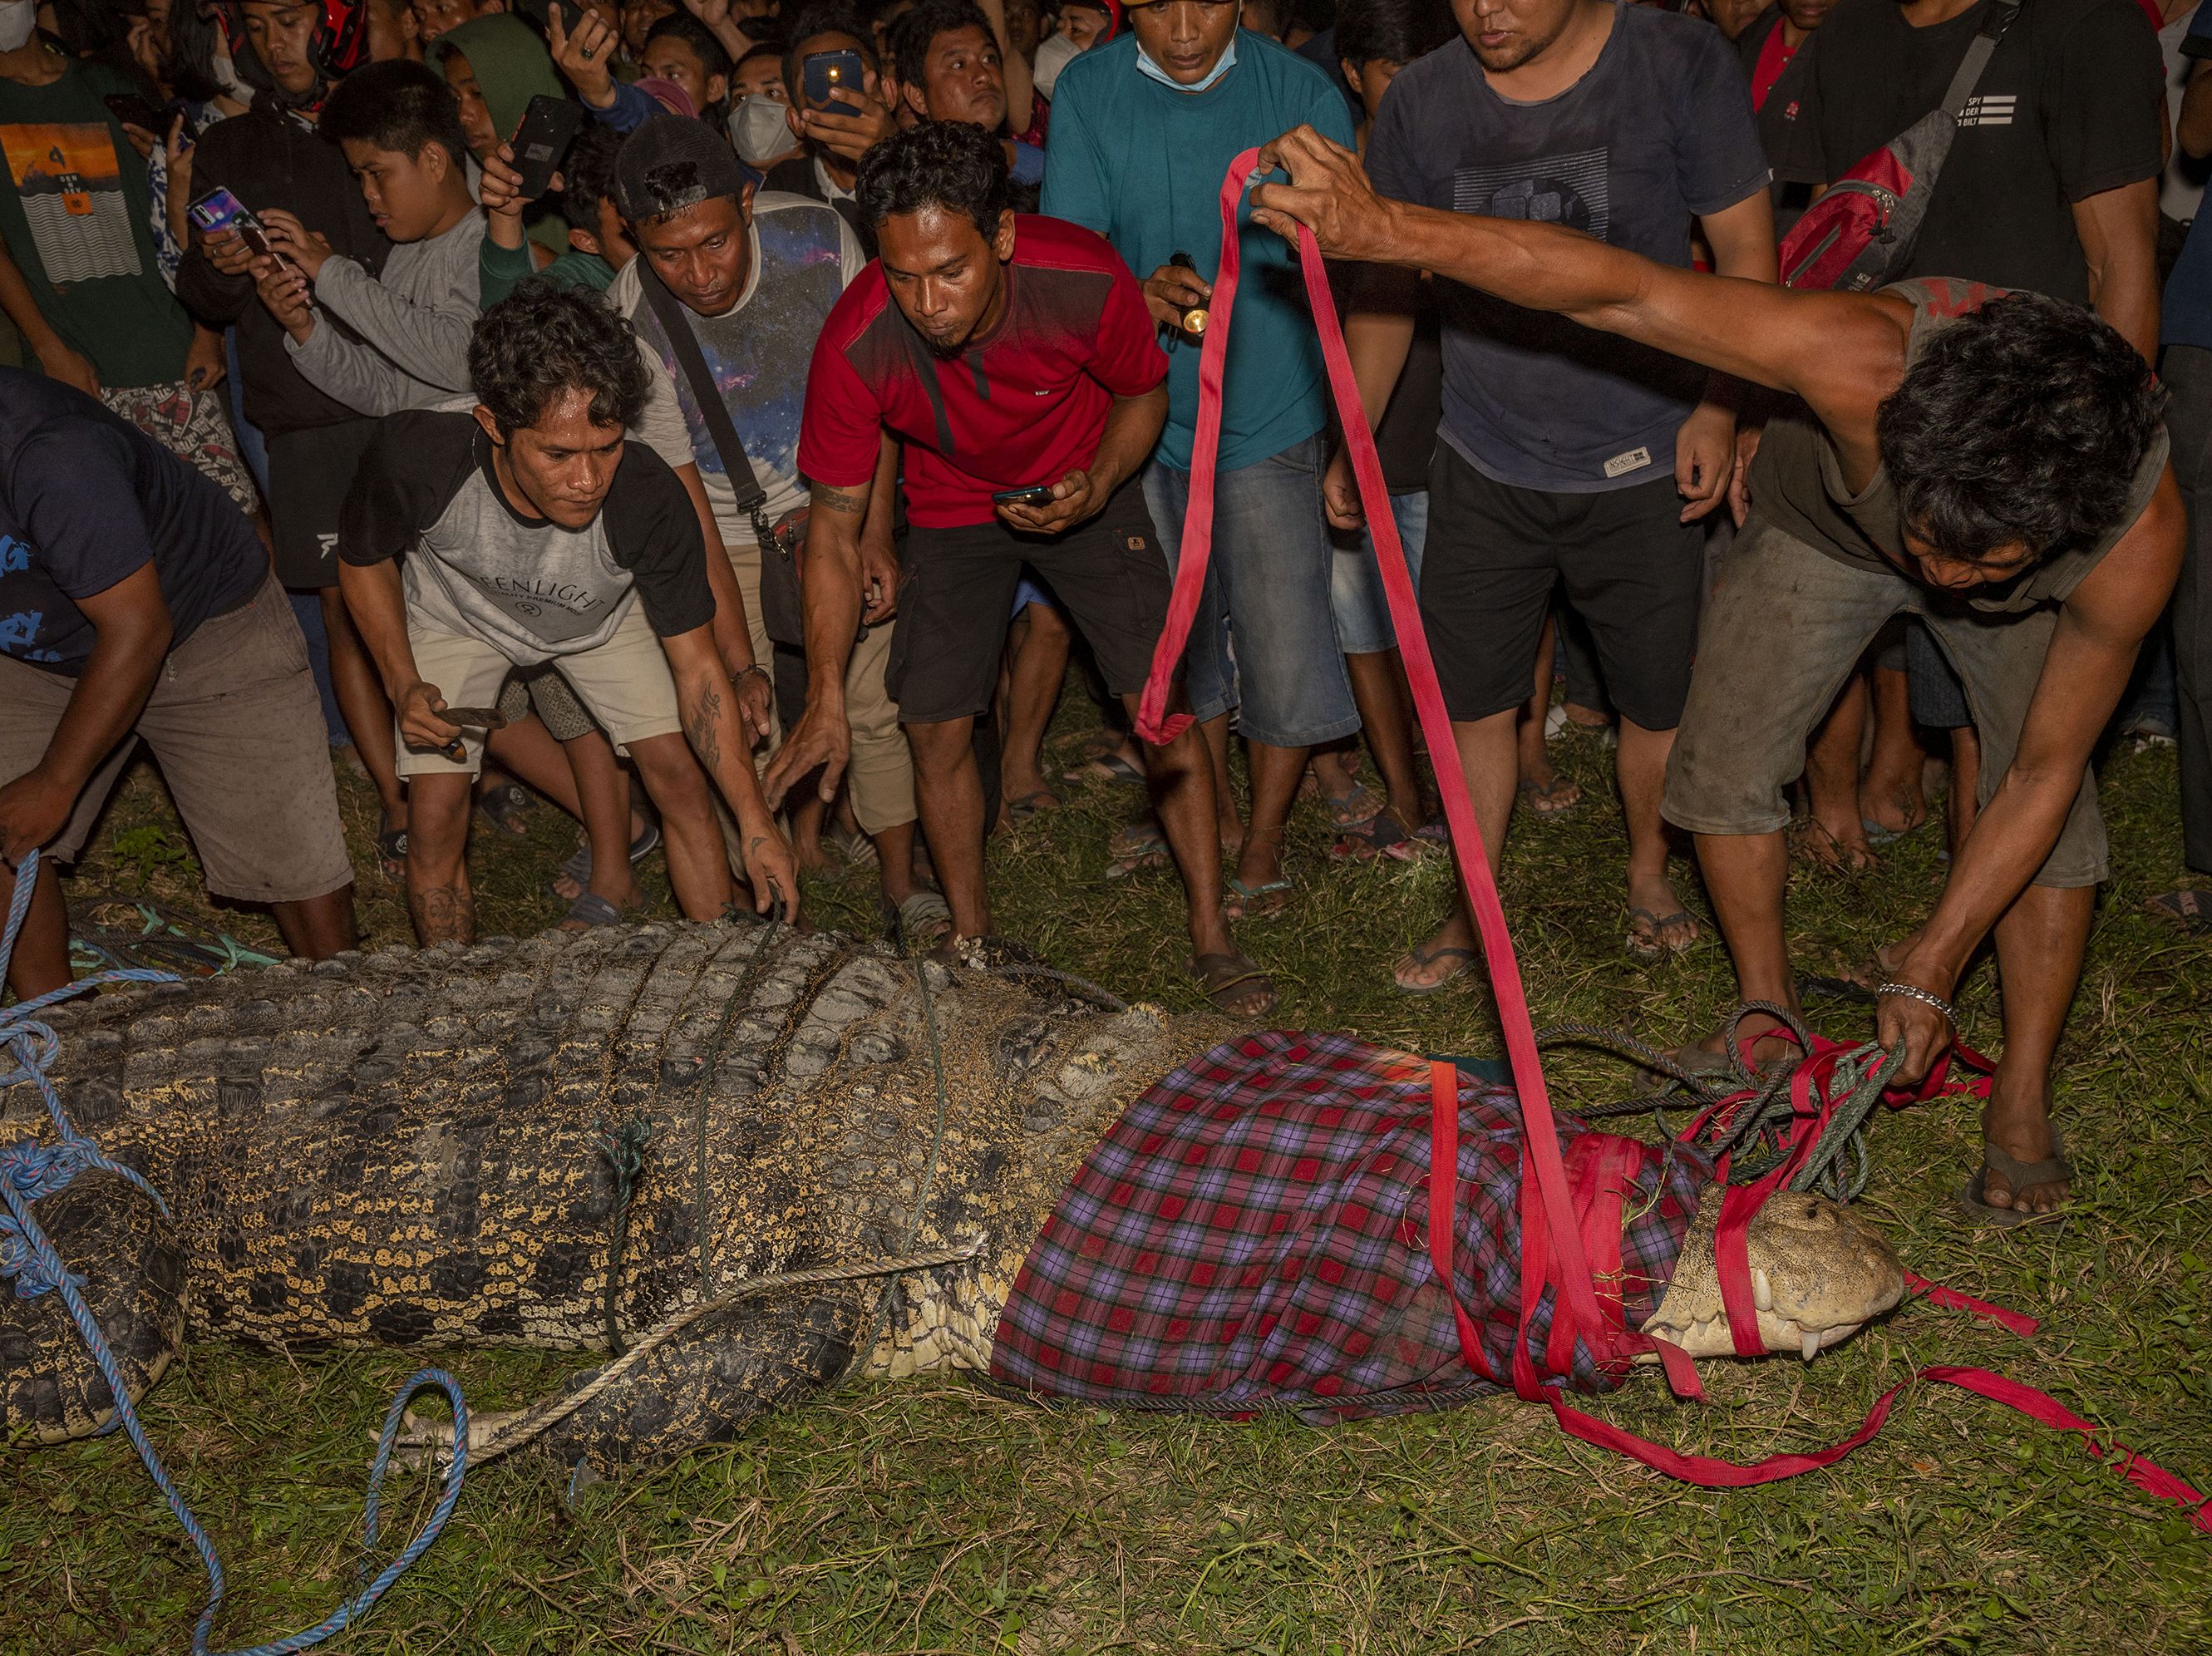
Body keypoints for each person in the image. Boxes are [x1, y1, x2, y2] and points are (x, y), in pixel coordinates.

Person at [1245, 123, 2177, 1219]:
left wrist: (1930, 960)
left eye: (1977, 560)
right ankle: (1765, 1020)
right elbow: (1617, 293)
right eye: (1930, 536)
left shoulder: (2133, 536)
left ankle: (2019, 1094)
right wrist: (1387, 228)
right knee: (1721, 760)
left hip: (2030, 588)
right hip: (1821, 519)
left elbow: (2041, 774)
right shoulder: (1857, 355)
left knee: (2054, 832)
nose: (1938, 574)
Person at [777, 121, 1273, 1012]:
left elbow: (1143, 390)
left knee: (1158, 705)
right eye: (903, 276)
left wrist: (1102, 479)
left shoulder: (1081, 279)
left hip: (1086, 479)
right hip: (954, 503)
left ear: (1000, 237)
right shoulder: (859, 342)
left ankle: (1211, 932)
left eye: (952, 270)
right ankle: (972, 940)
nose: (928, 303)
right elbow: (833, 530)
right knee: (932, 722)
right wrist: (821, 692)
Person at [1330, 0, 1776, 988]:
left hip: (1647, 452)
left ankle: (1651, 874)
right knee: (1474, 702)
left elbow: (1745, 250)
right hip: (1485, 456)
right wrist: (1352, 437)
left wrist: (1719, 401)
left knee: (1654, 702)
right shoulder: (1425, 102)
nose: (1487, 9)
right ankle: (1470, 911)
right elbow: (1389, 286)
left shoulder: (1674, 60)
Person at [1771, 0, 2165, 871]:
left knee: (1999, 704)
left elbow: (2123, 262)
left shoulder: (2085, 26)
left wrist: (2100, 469)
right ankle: (1836, 812)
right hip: (1866, 407)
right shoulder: (1848, 32)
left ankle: (1972, 900)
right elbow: (1825, 240)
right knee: (1832, 616)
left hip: (2017, 444)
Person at [337, 280, 800, 944]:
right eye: (557, 454)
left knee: (677, 774)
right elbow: (360, 560)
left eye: (605, 447)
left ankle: (715, 969)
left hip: (599, 619)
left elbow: (699, 671)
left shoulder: (646, 497)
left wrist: (754, 823)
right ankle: (449, 997)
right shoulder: (418, 456)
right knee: (435, 810)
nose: (587, 481)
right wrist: (401, 680)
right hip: (457, 614)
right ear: (494, 424)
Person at [1043, 0, 1361, 924]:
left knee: (1282, 630)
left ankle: (1262, 841)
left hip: (1270, 405)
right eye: (1156, 5)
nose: (1183, 28)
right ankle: (1211, 817)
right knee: (1174, 635)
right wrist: (1126, 295)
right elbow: (1072, 252)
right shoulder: (1089, 91)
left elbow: (1345, 255)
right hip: (1143, 414)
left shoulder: (1300, 93)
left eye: (1207, 2)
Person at [605, 116, 933, 925]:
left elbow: (880, 394)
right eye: (669, 254)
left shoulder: (820, 240)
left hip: (839, 495)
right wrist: (739, 658)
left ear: (747, 203)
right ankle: (772, 900)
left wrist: (875, 533)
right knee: (737, 719)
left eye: (713, 241)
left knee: (868, 700)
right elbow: (682, 501)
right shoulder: (634, 313)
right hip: (721, 522)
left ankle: (904, 886)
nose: (699, 273)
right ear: (635, 239)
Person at [0, 368, 357, 999]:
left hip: (206, 623)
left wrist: (57, 780)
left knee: (293, 866)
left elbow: (137, 631)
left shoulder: (51, 454)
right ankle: (55, 1028)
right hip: (35, 649)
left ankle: (353, 1016)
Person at [175, 0, 414, 876]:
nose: (281, 46)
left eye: (293, 20)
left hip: (407, 392)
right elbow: (208, 300)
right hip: (302, 405)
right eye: (262, 31)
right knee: (343, 603)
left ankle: (459, 762)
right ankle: (393, 795)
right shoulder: (233, 149)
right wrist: (220, 266)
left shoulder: (387, 123)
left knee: (426, 595)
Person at [0, 12, 254, 509]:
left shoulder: (107, 82)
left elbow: (179, 198)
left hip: (170, 348)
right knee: (138, 538)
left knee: (233, 520)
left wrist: (206, 330)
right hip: (76, 366)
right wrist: (51, 353)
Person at [1308, 0, 1452, 862]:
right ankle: (1404, 796)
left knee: (1439, 640)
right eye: (1395, 70)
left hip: (1435, 439)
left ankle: (1458, 804)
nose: (1411, 88)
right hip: (1343, 434)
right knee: (1359, 626)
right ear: (1355, 75)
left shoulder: (1452, 168)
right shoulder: (1325, 178)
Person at [253, 57, 483, 414]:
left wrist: (330, 270)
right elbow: (387, 391)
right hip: (413, 455)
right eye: (359, 177)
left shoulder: (490, 244)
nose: (368, 193)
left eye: (376, 173)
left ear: (434, 161)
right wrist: (306, 328)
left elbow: (461, 363)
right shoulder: (404, 253)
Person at [889, 0, 1043, 184]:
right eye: (959, 65)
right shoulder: (907, 186)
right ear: (918, 96)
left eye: (989, 59)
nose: (984, 76)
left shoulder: (1045, 172)